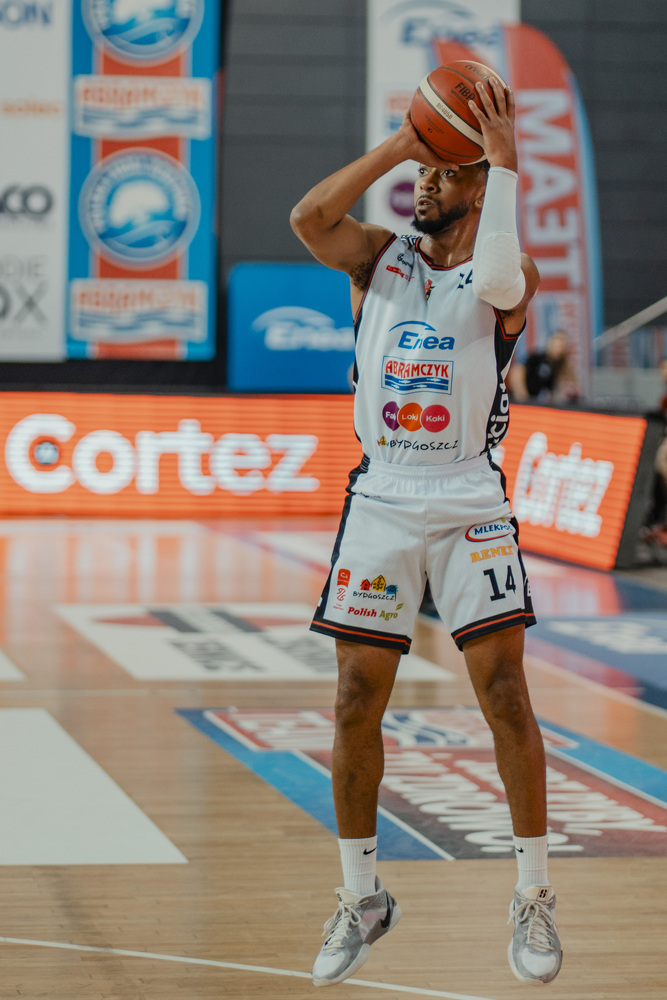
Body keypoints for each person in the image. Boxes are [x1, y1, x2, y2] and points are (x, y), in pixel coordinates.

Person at [290, 78, 562, 988]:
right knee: (353, 700)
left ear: (480, 186)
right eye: (425, 174)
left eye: (446, 173)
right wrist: (405, 145)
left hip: (467, 501)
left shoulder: (509, 275)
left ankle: (532, 895)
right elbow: (307, 219)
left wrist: (502, 164)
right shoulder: (380, 258)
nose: (426, 185)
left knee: (505, 696)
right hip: (382, 497)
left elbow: (498, 279)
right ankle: (360, 896)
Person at [510, 330, 578, 403]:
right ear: (551, 343)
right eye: (557, 344)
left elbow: (572, 384)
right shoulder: (538, 358)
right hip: (521, 402)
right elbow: (516, 370)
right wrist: (523, 398)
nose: (558, 349)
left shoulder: (558, 367)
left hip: (536, 403)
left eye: (561, 346)